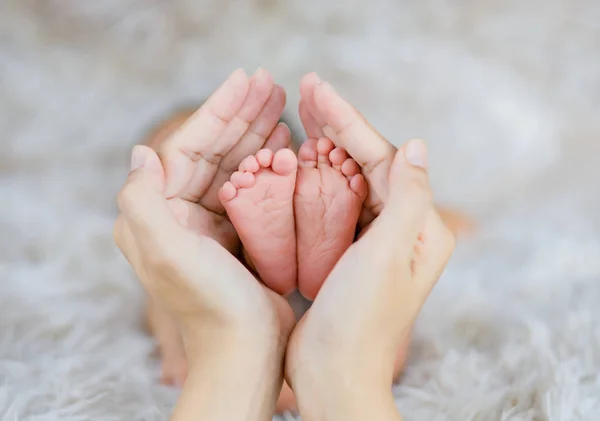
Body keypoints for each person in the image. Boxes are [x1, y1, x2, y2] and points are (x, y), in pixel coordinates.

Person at [115, 69, 455, 418]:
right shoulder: (160, 276)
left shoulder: (160, 287)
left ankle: (312, 241)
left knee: (177, 307)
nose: (220, 180)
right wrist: (422, 211)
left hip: (224, 280)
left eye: (244, 160)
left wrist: (223, 349)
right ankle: (325, 270)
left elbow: (176, 368)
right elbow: (453, 222)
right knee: (381, 293)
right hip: (237, 262)